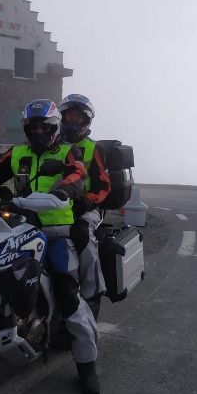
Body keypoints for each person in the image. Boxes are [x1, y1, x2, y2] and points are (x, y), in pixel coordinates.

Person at [0, 99, 102, 394]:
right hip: (20, 228)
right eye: (32, 127)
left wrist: (67, 188)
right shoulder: (18, 152)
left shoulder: (68, 151)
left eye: (44, 127)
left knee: (68, 292)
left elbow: (78, 174)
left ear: (54, 127)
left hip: (56, 233)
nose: (38, 131)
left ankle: (87, 365)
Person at [58, 94, 112, 319]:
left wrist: (88, 200)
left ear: (86, 120)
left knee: (82, 233)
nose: (73, 121)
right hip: (55, 205)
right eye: (69, 115)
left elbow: (104, 185)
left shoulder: (93, 148)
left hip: (86, 208)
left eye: (78, 117)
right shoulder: (55, 145)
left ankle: (91, 293)